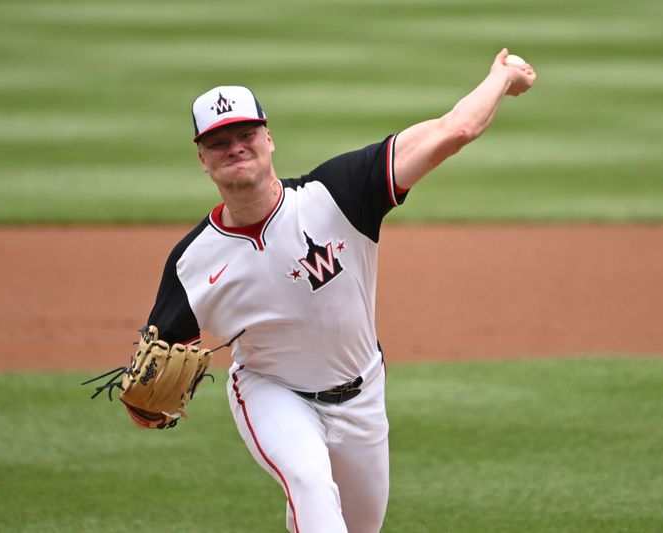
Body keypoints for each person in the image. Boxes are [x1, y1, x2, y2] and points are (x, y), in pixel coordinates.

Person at [145, 48, 535, 533]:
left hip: (363, 395)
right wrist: (145, 408)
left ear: (268, 137)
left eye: (245, 134)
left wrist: (500, 79)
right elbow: (154, 370)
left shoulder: (337, 195)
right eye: (219, 142)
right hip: (272, 392)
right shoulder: (192, 263)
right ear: (202, 158)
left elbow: (452, 130)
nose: (235, 148)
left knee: (353, 526)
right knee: (308, 483)